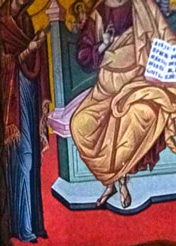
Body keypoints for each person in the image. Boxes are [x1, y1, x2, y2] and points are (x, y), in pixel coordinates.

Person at [71, 0, 176, 209]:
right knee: (79, 124)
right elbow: (84, 55)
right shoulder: (99, 12)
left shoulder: (143, 5)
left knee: (136, 117)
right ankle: (110, 181)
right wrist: (104, 44)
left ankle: (120, 182)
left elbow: (166, 37)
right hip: (105, 89)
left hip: (139, 83)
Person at [0, 0, 51, 242]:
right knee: (23, 159)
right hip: (12, 101)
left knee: (32, 160)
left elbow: (29, 62)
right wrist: (29, 49)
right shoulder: (0, 22)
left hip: (27, 93)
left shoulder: (25, 20)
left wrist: (37, 46)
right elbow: (3, 63)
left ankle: (31, 223)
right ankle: (22, 225)